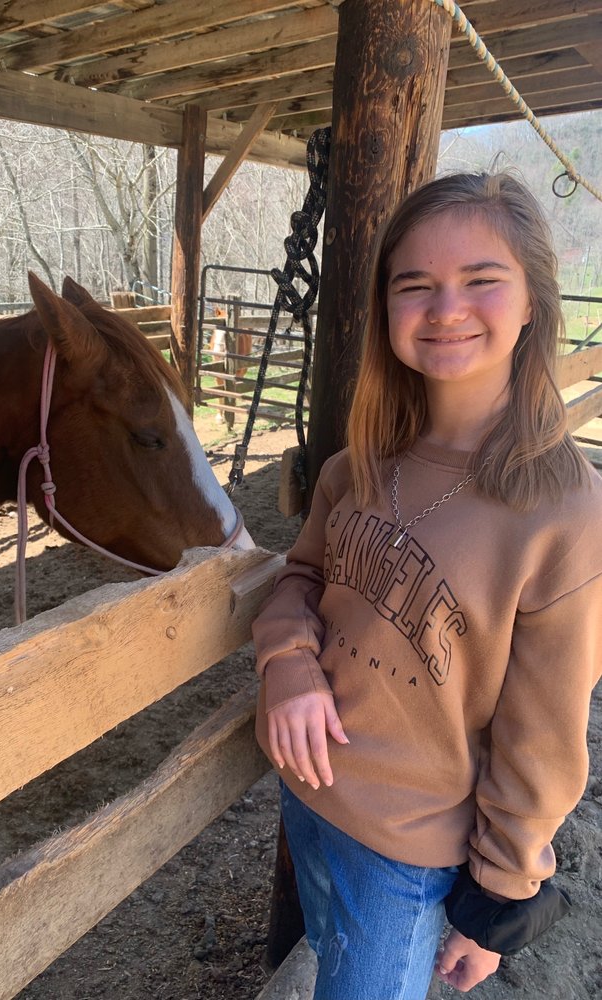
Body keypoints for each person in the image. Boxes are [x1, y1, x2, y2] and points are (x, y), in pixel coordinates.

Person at [252, 171, 602, 999]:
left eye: (482, 280)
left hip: (407, 858)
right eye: (416, 285)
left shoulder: (563, 509)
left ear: (531, 305)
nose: (446, 308)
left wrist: (500, 901)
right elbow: (300, 577)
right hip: (306, 803)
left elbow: (543, 733)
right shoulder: (358, 466)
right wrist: (290, 663)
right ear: (386, 311)